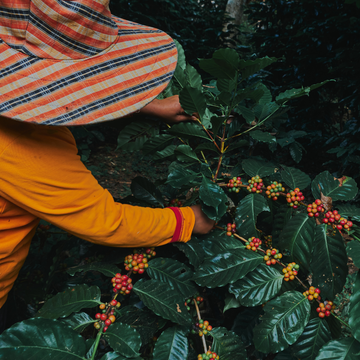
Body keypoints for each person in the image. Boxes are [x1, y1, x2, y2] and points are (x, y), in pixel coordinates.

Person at [0, 0, 214, 332]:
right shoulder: (24, 149)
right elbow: (106, 221)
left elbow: (50, 98)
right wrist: (191, 220)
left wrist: (149, 107)